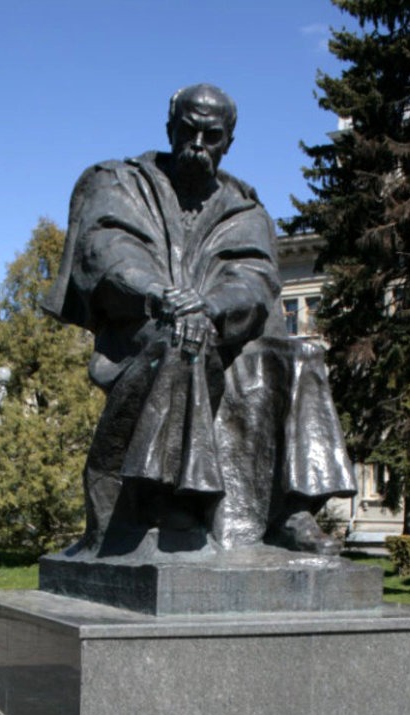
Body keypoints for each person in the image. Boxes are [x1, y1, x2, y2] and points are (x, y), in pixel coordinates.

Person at [42, 84, 356, 557]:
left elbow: (254, 279)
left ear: (229, 141)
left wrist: (208, 308)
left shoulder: (243, 208)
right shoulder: (124, 183)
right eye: (188, 131)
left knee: (301, 353)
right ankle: (167, 501)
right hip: (142, 328)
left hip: (220, 330)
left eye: (211, 136)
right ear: (170, 128)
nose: (197, 145)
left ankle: (290, 511)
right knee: (181, 340)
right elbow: (106, 252)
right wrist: (163, 298)